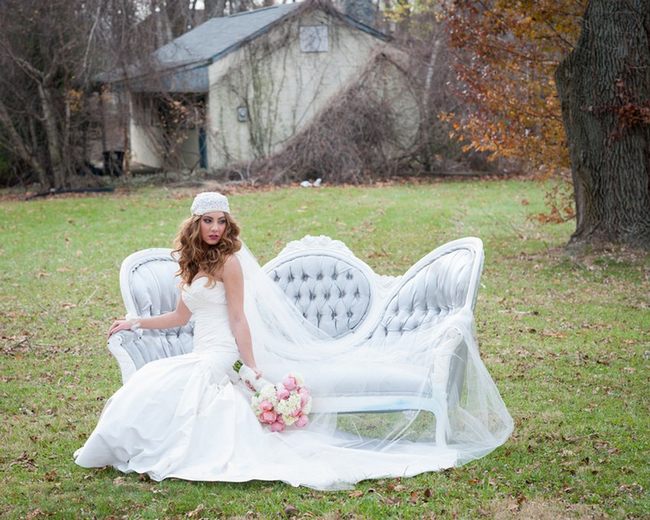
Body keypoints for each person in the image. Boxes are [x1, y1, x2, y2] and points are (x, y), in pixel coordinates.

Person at [74, 192, 513, 490]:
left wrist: (249, 366)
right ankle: (140, 446)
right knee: (155, 379)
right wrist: (134, 323)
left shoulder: (229, 263)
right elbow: (179, 316)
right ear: (194, 223)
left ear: (228, 224)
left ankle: (168, 450)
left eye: (220, 220)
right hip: (200, 348)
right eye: (206, 220)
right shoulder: (188, 265)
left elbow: (239, 319)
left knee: (183, 383)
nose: (213, 227)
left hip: (222, 351)